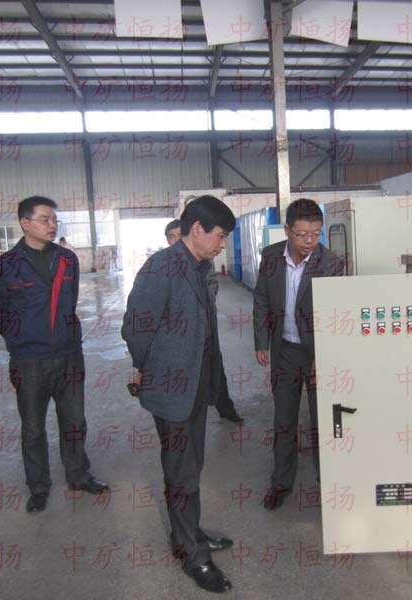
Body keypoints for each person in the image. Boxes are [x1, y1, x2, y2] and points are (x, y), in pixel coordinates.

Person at [122, 196, 236, 594]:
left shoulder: (199, 267)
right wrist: (152, 369)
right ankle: (193, 555)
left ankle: (187, 532)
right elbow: (135, 329)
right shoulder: (162, 268)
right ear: (198, 229)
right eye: (220, 235)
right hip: (172, 388)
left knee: (190, 467)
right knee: (182, 473)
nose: (223, 243)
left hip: (196, 385)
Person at [0, 196, 109, 514]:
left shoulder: (68, 260)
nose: (52, 225)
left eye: (54, 219)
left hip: (69, 356)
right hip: (29, 361)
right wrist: (23, 339)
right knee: (33, 428)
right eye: (45, 219)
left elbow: (70, 301)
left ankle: (78, 475)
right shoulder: (4, 266)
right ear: (25, 223)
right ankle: (38, 486)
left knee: (74, 421)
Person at [253, 199, 345, 511]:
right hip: (285, 351)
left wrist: (326, 357)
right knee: (284, 420)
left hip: (318, 353)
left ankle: (327, 482)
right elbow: (261, 299)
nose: (309, 241)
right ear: (287, 231)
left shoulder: (330, 264)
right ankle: (281, 483)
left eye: (316, 234)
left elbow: (335, 315)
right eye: (302, 234)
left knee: (324, 422)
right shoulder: (270, 257)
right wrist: (261, 342)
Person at [164, 219, 243, 424]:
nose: (176, 240)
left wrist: (202, 302)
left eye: (180, 236)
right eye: (172, 237)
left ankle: (226, 408)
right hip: (180, 334)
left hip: (205, 327)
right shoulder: (162, 266)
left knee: (215, 369)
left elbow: (213, 284)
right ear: (168, 240)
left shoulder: (203, 260)